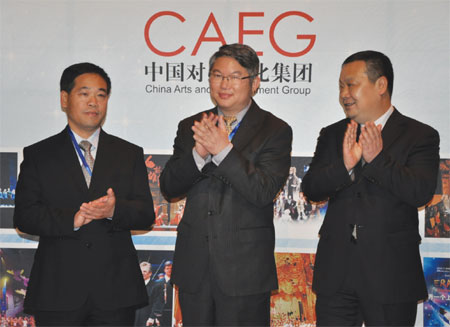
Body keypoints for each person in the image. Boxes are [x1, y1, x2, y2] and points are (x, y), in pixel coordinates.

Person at [302, 50, 440, 326]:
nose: (344, 94)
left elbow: (420, 193)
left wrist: (377, 161)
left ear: (381, 85)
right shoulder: (332, 134)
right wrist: (345, 167)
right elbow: (312, 189)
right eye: (341, 86)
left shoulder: (420, 135)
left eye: (352, 84)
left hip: (390, 275)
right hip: (336, 273)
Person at [160, 43, 292, 326]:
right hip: (195, 265)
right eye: (217, 75)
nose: (224, 83)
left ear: (254, 82)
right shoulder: (191, 126)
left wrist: (223, 150)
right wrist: (199, 154)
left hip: (244, 270)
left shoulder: (275, 130)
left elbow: (263, 190)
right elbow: (169, 187)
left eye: (234, 76)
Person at [13, 62, 155, 326]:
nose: (94, 102)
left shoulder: (128, 153)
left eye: (101, 95)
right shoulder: (39, 155)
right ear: (64, 99)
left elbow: (145, 214)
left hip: (115, 291)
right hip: (58, 290)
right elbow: (25, 216)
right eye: (84, 94)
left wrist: (114, 211)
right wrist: (72, 219)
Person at [148, 261, 173, 327]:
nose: (169, 270)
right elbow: (153, 299)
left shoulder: (176, 283)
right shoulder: (158, 283)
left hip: (172, 312)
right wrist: (152, 316)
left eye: (171, 268)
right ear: (164, 270)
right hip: (159, 313)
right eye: (167, 268)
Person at [134, 261, 157, 326]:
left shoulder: (155, 286)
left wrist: (151, 318)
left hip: (147, 320)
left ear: (150, 273)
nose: (142, 273)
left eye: (144, 271)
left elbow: (156, 304)